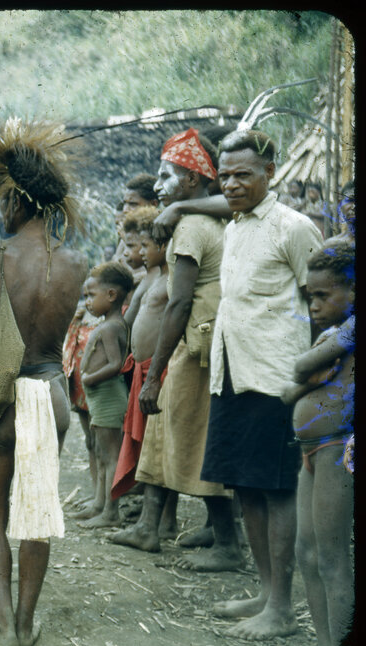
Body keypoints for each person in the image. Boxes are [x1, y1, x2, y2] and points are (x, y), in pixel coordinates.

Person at [0, 118, 88, 646]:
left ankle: (2, 626)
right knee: (37, 512)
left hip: (3, 401)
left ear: (16, 200)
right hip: (48, 393)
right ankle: (27, 625)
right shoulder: (75, 264)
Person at [199, 129, 323, 640]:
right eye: (224, 175)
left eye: (242, 174)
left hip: (276, 381)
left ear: (270, 173)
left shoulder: (294, 228)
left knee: (276, 490)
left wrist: (311, 379)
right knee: (246, 486)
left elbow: (322, 305)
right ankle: (267, 591)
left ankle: (282, 609)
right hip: (232, 374)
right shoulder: (233, 228)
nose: (231, 183)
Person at [116, 128, 242, 568]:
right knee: (165, 429)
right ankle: (150, 527)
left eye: (167, 175)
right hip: (200, 344)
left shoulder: (189, 226)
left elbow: (179, 302)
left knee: (195, 439)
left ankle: (228, 543)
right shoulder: (200, 218)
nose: (158, 185)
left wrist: (154, 374)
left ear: (192, 181)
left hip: (198, 346)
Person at [276, 240, 354, 646]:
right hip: (313, 449)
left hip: (338, 448)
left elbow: (299, 369)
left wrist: (301, 383)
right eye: (311, 297)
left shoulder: (353, 328)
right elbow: (299, 381)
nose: (315, 305)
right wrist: (303, 384)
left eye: (324, 296)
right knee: (307, 553)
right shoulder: (338, 331)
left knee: (331, 557)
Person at [109, 207, 168, 504]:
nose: (140, 253)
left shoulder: (167, 276)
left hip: (156, 370)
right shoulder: (148, 276)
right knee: (146, 443)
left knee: (158, 445)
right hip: (139, 368)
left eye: (145, 246)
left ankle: (161, 518)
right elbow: (129, 317)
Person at [75, 261, 133, 528]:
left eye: (91, 296)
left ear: (111, 295)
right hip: (101, 398)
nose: (87, 302)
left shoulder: (111, 327)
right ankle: (99, 504)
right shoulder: (108, 323)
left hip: (109, 397)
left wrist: (88, 377)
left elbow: (115, 364)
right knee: (100, 452)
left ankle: (110, 512)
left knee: (109, 456)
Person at [61, 282, 102, 512]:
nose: (87, 301)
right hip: (80, 389)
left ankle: (102, 499)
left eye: (91, 296)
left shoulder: (106, 323)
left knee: (101, 443)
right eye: (84, 295)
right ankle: (97, 494)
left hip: (97, 390)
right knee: (90, 442)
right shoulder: (79, 320)